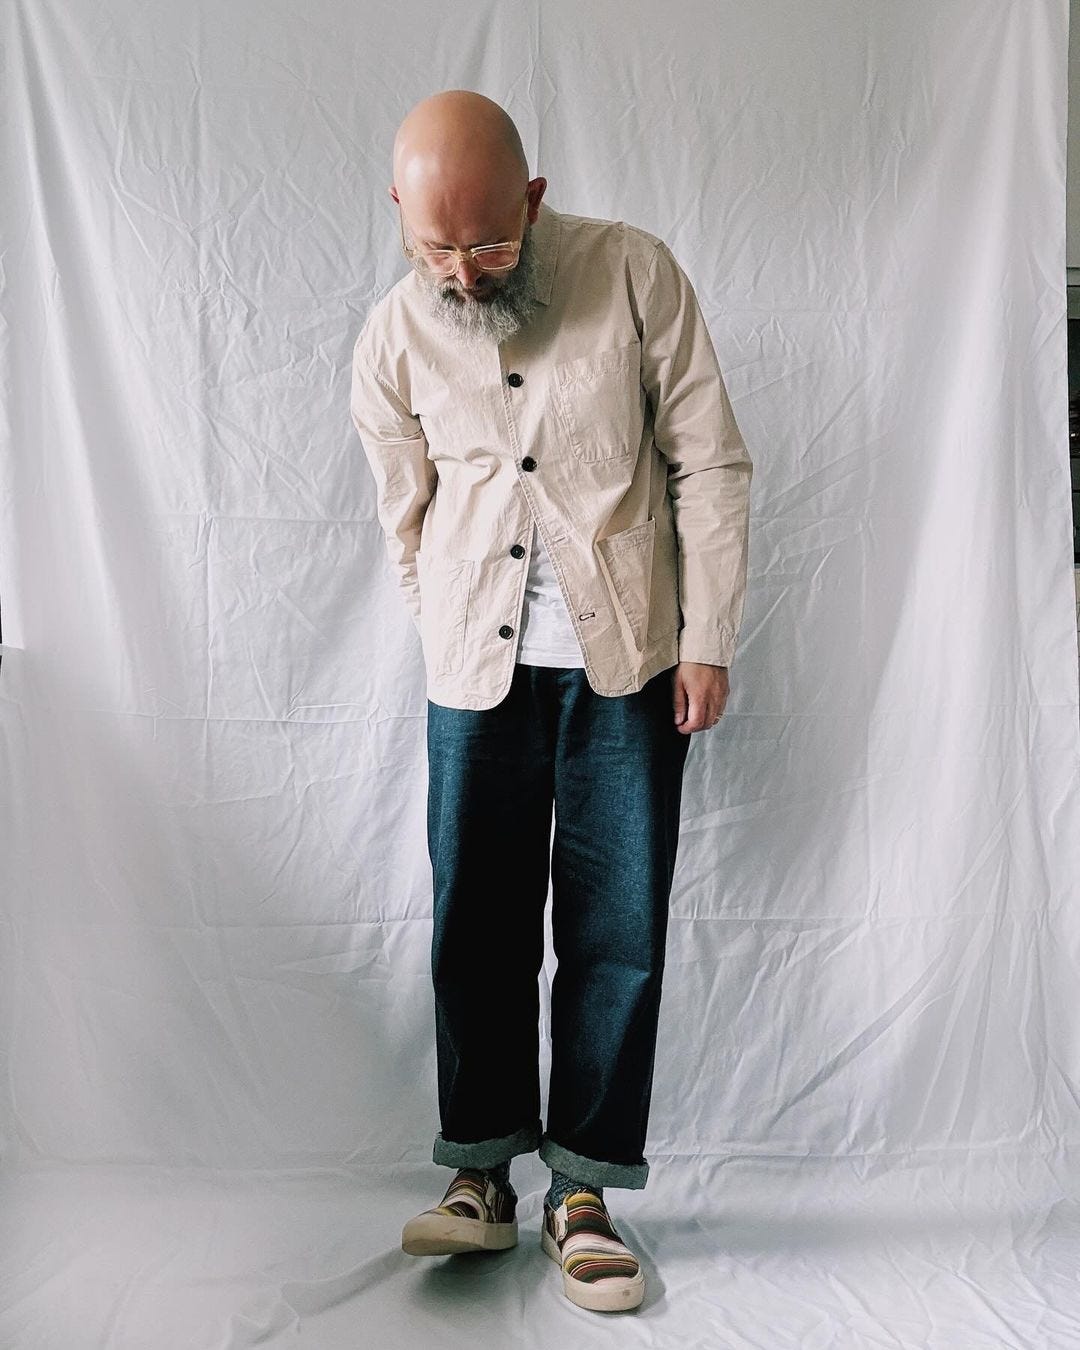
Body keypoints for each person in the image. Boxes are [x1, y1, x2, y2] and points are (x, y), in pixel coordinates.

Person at [349, 88, 753, 1313]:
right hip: (475, 669)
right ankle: (480, 1176)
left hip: (628, 661)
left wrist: (709, 637)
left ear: (532, 198)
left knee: (614, 927)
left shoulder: (634, 274)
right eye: (435, 249)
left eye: (490, 245)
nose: (465, 274)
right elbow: (402, 511)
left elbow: (709, 457)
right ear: (401, 219)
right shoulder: (390, 336)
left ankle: (582, 1186)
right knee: (475, 917)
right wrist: (447, 626)